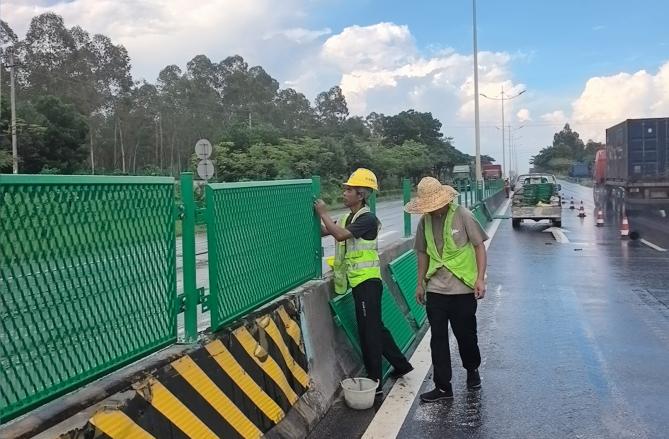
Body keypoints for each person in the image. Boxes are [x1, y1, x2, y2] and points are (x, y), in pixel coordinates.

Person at [315, 168, 413, 394]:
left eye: (349, 190)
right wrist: (314, 216)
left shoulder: (368, 219)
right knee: (375, 327)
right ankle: (401, 365)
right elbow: (327, 231)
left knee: (369, 332)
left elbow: (340, 235)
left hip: (368, 282)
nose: (344, 193)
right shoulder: (348, 217)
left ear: (361, 195)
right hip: (358, 282)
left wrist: (323, 212)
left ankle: (374, 381)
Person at [404, 176, 488, 402]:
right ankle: (443, 387)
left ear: (444, 200)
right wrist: (420, 283)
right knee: (438, 339)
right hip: (436, 290)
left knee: (466, 336)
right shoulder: (424, 222)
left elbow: (479, 246)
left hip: (462, 290)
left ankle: (472, 370)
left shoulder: (463, 215)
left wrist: (480, 279)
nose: (431, 210)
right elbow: (422, 253)